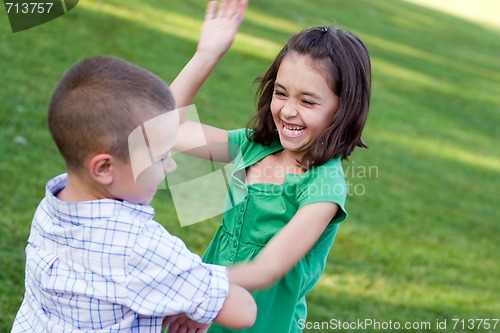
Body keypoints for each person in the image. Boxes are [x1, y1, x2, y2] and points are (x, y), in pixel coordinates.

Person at [11, 56, 256, 333]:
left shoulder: (50, 208)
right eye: (161, 157)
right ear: (104, 168)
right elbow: (243, 311)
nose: (171, 166)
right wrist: (197, 303)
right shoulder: (138, 246)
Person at [167, 0, 372, 332]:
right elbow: (166, 129)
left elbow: (268, 268)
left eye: (307, 100)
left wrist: (199, 291)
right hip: (210, 312)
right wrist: (206, 55)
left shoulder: (323, 186)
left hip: (260, 321)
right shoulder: (252, 146)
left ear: (344, 108)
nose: (289, 111)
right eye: (281, 93)